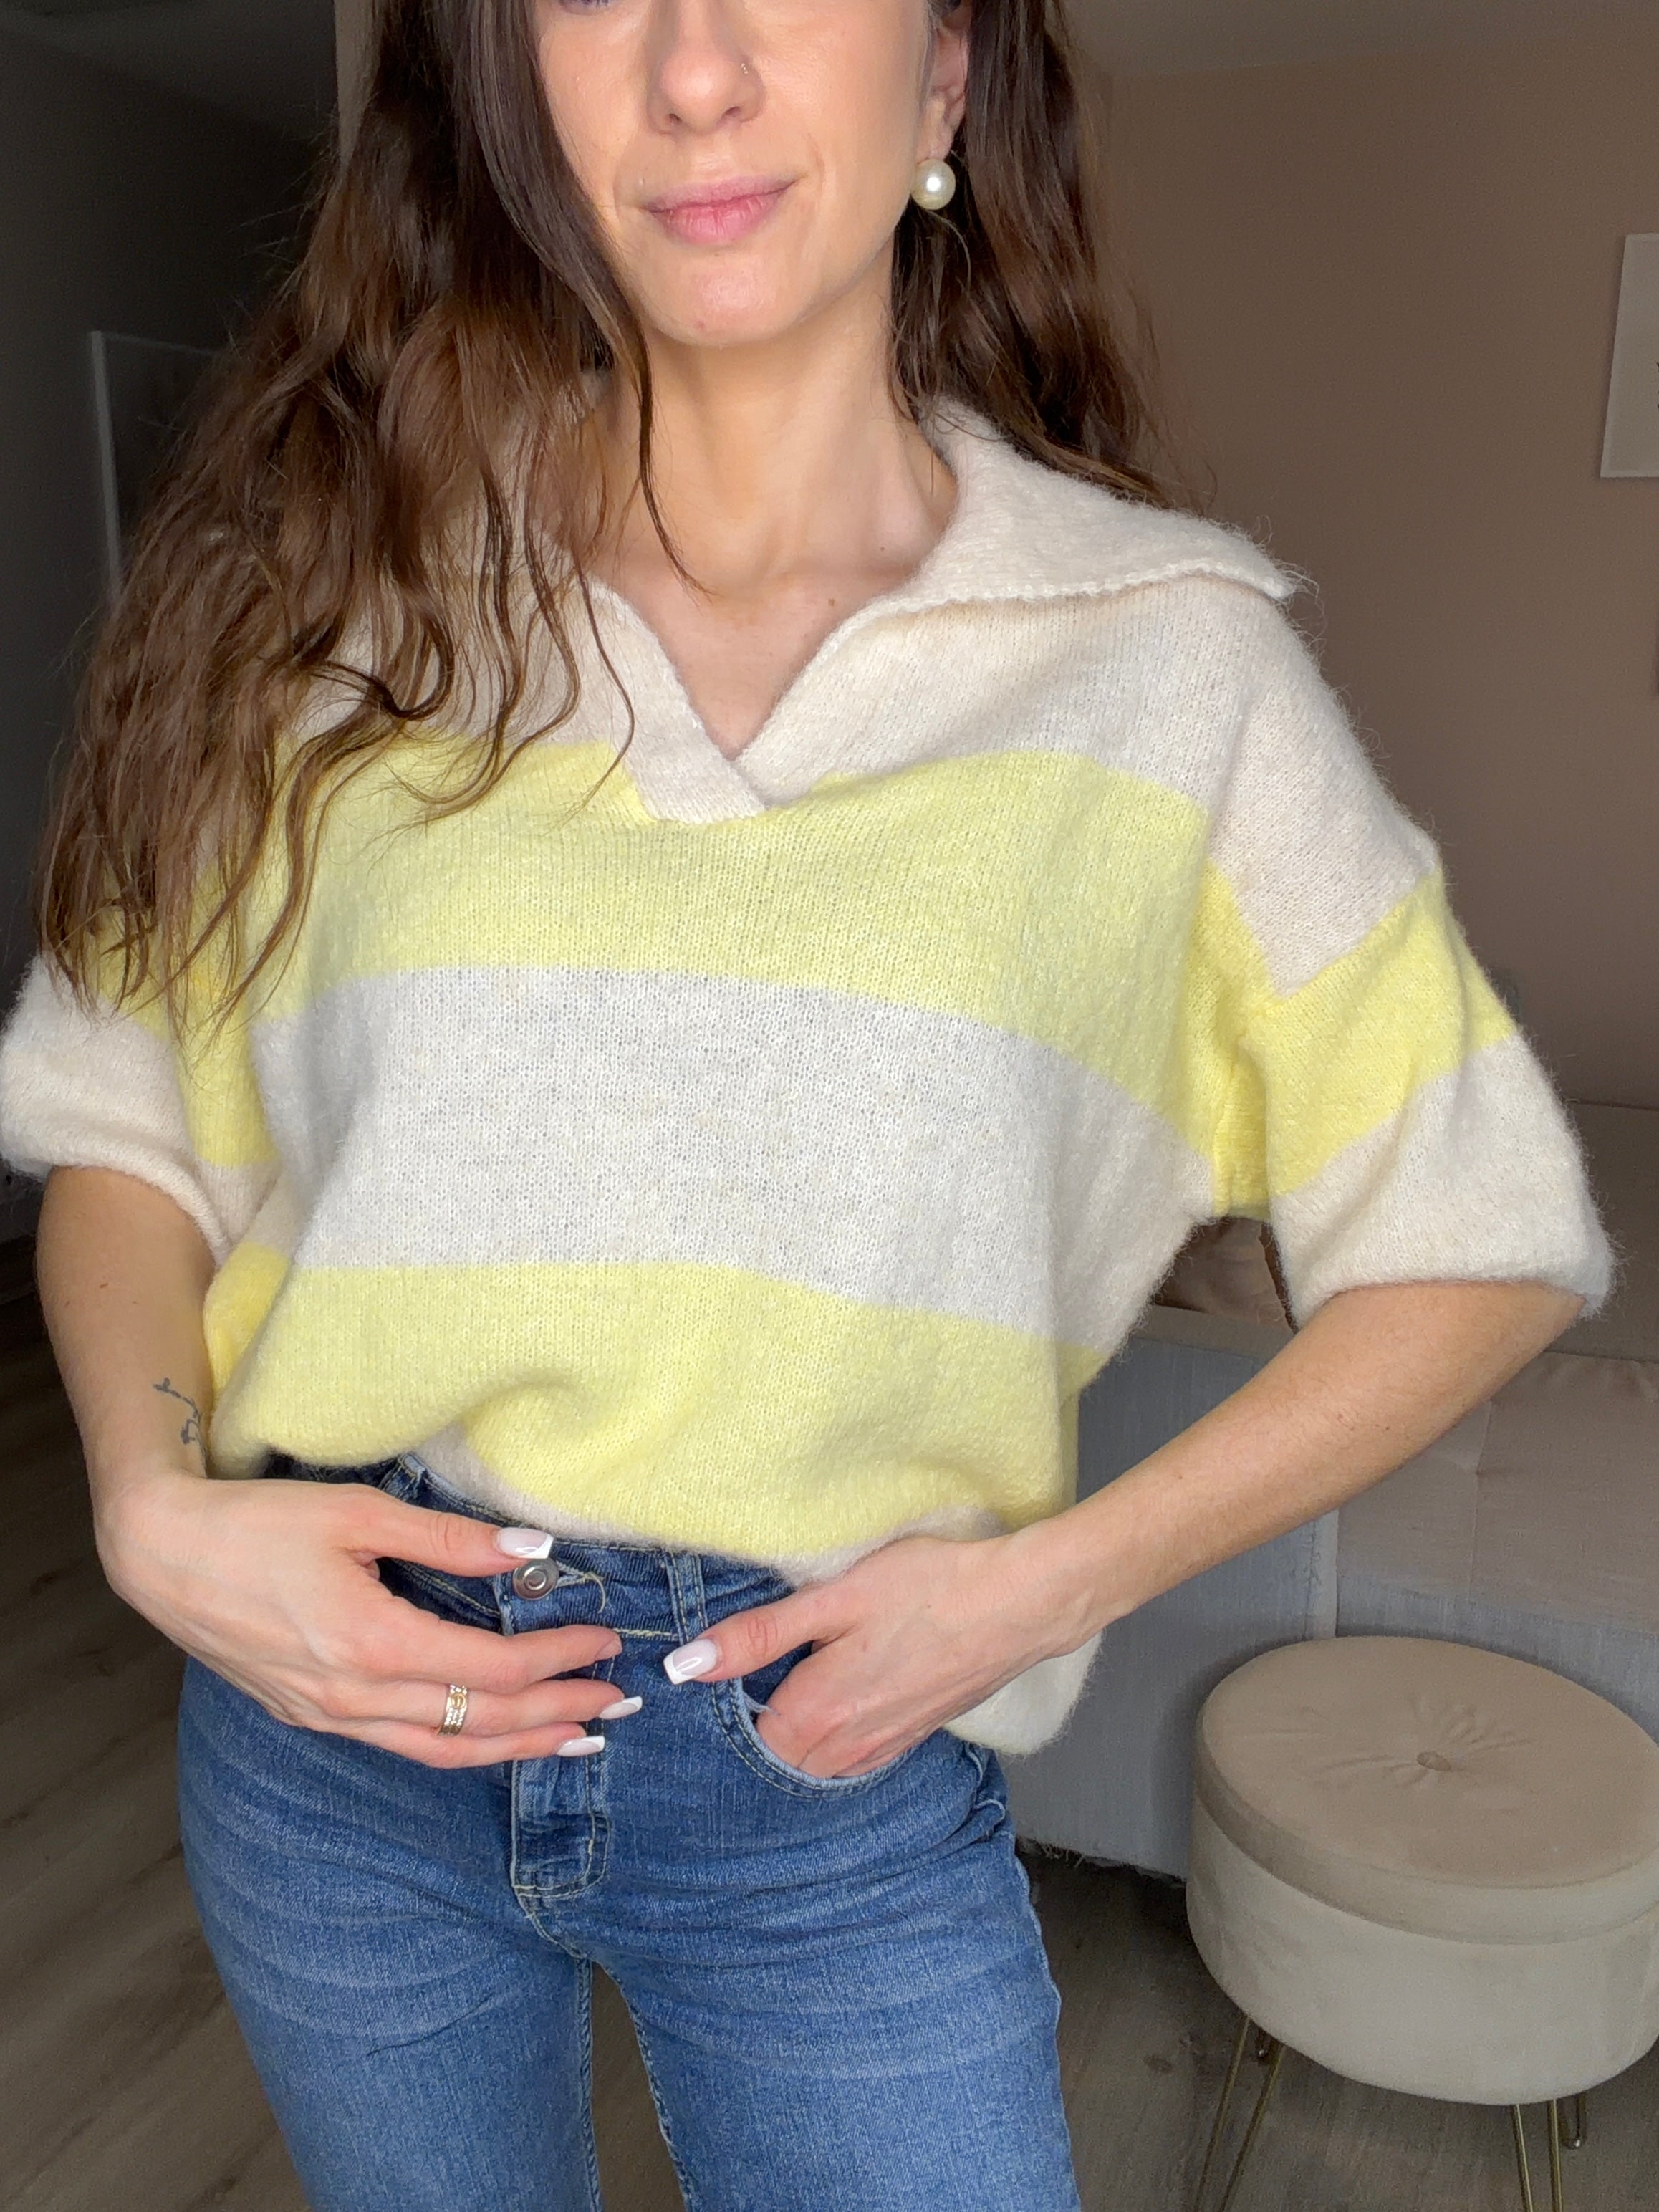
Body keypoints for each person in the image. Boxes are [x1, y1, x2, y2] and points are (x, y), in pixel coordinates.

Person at [0, 0, 1612, 2206]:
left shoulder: (1163, 660)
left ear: (942, 82)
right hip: (337, 1738)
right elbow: (127, 1122)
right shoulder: (345, 605)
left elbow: (1483, 1241)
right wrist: (144, 1494)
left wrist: (1049, 1584)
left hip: (822, 1781)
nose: (694, 70)